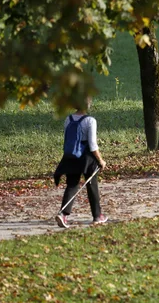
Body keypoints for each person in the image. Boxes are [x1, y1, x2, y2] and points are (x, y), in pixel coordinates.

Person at [53, 97, 108, 228]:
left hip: (71, 156)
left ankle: (63, 215)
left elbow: (67, 139)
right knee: (91, 185)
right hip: (87, 157)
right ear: (87, 105)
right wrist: (100, 160)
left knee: (72, 185)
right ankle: (97, 216)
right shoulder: (90, 120)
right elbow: (93, 144)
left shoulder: (68, 119)